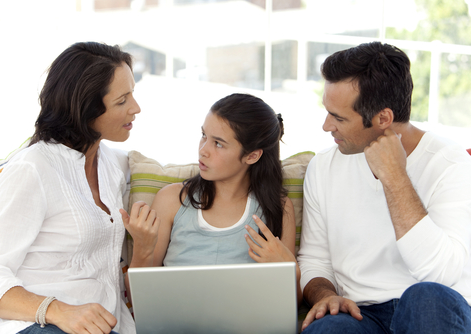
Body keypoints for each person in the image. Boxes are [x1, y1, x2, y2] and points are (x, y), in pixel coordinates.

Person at [297, 41, 471, 333]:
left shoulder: (451, 164)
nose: (327, 126)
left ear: (383, 119)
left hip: (431, 310)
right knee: (328, 329)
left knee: (424, 298)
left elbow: (441, 274)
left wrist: (394, 176)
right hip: (361, 315)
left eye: (338, 117)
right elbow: (315, 260)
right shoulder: (324, 166)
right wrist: (325, 295)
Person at [0, 42, 142, 334]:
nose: (136, 109)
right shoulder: (33, 168)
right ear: (86, 108)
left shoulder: (111, 166)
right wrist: (58, 311)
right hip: (37, 325)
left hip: (102, 327)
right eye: (122, 101)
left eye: (133, 95)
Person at [120, 93, 302, 304]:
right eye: (204, 135)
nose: (203, 150)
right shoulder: (172, 200)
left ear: (252, 155)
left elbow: (292, 303)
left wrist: (290, 271)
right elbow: (137, 297)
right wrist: (142, 246)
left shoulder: (278, 208)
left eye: (218, 144)